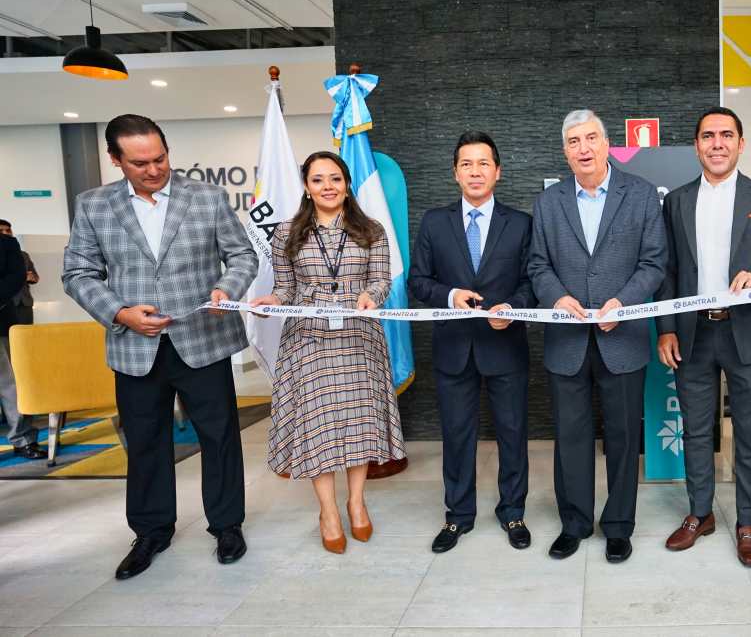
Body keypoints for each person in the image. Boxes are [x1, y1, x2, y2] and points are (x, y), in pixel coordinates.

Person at [62, 114, 257, 579]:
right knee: (146, 441)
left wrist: (226, 289)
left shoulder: (206, 197)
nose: (154, 170)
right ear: (115, 160)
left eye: (160, 158)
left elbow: (242, 255)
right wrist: (119, 312)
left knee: (220, 437)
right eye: (140, 163)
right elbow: (77, 273)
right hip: (135, 346)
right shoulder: (93, 206)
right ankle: (151, 532)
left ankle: (227, 525)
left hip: (203, 339)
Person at [250, 150, 406, 555]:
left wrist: (371, 297)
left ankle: (356, 502)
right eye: (318, 179)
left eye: (335, 178)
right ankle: (328, 511)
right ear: (306, 186)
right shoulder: (287, 233)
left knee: (357, 424)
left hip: (358, 334)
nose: (328, 187)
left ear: (347, 184)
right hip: (309, 338)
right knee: (318, 426)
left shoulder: (371, 229)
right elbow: (285, 288)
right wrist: (272, 300)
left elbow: (381, 280)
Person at [528, 109, 666, 563]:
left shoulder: (641, 195)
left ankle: (619, 526)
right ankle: (574, 523)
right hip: (567, 342)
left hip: (622, 337)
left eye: (591, 138)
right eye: (574, 141)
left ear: (607, 144)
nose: (583, 148)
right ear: (565, 151)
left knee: (624, 437)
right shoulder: (548, 203)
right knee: (570, 436)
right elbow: (537, 264)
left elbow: (654, 263)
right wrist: (556, 297)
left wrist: (623, 302)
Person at [656, 106, 751, 567]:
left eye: (726, 135)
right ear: (697, 145)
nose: (717, 143)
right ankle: (700, 514)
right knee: (696, 429)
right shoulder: (676, 201)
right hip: (692, 332)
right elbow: (668, 270)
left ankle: (748, 522)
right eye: (708, 136)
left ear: (740, 143)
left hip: (748, 330)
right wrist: (666, 328)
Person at [409, 131, 535, 553]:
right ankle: (458, 516)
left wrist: (513, 307)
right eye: (467, 164)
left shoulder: (521, 223)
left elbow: (532, 282)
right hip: (454, 349)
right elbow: (417, 281)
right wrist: (450, 296)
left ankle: (513, 511)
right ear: (455, 173)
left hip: (506, 346)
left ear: (498, 172)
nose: (475, 171)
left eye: (483, 164)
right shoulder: (434, 222)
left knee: (513, 434)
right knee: (456, 436)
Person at [0, 231, 45, 460]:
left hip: (1, 321)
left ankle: (23, 438)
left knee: (11, 384)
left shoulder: (7, 243)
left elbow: (16, 276)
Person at [0, 220, 37, 326]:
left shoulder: (24, 255)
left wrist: (31, 277)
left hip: (25, 302)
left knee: (27, 332)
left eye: (8, 230)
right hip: (7, 301)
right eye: (1, 230)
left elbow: (36, 277)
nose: (5, 233)